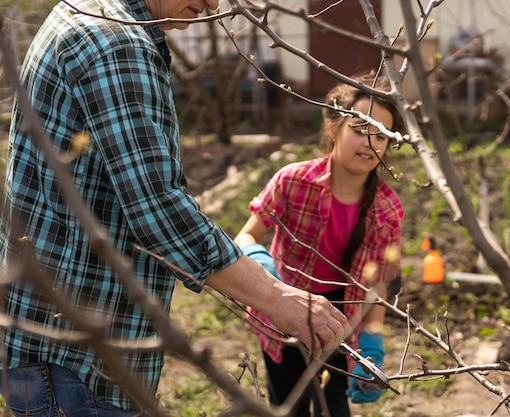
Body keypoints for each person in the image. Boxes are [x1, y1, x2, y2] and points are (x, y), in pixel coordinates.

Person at [0, 0, 349, 415]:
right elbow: (158, 209)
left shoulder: (89, 14)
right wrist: (275, 297)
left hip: (63, 350)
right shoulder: (114, 42)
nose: (213, 5)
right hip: (77, 363)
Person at [234, 71, 405, 417]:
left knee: (335, 409)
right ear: (334, 129)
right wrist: (261, 265)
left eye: (380, 136)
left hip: (344, 317)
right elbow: (247, 235)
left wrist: (370, 348)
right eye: (359, 130)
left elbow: (376, 288)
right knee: (289, 405)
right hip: (286, 307)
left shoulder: (386, 210)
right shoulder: (293, 181)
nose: (370, 144)